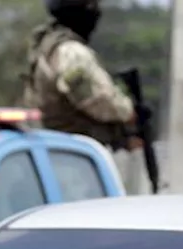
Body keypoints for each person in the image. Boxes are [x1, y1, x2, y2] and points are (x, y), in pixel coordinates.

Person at [24, 0, 139, 152]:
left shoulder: (49, 45)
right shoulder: (72, 52)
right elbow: (95, 99)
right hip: (73, 150)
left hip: (62, 147)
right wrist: (129, 112)